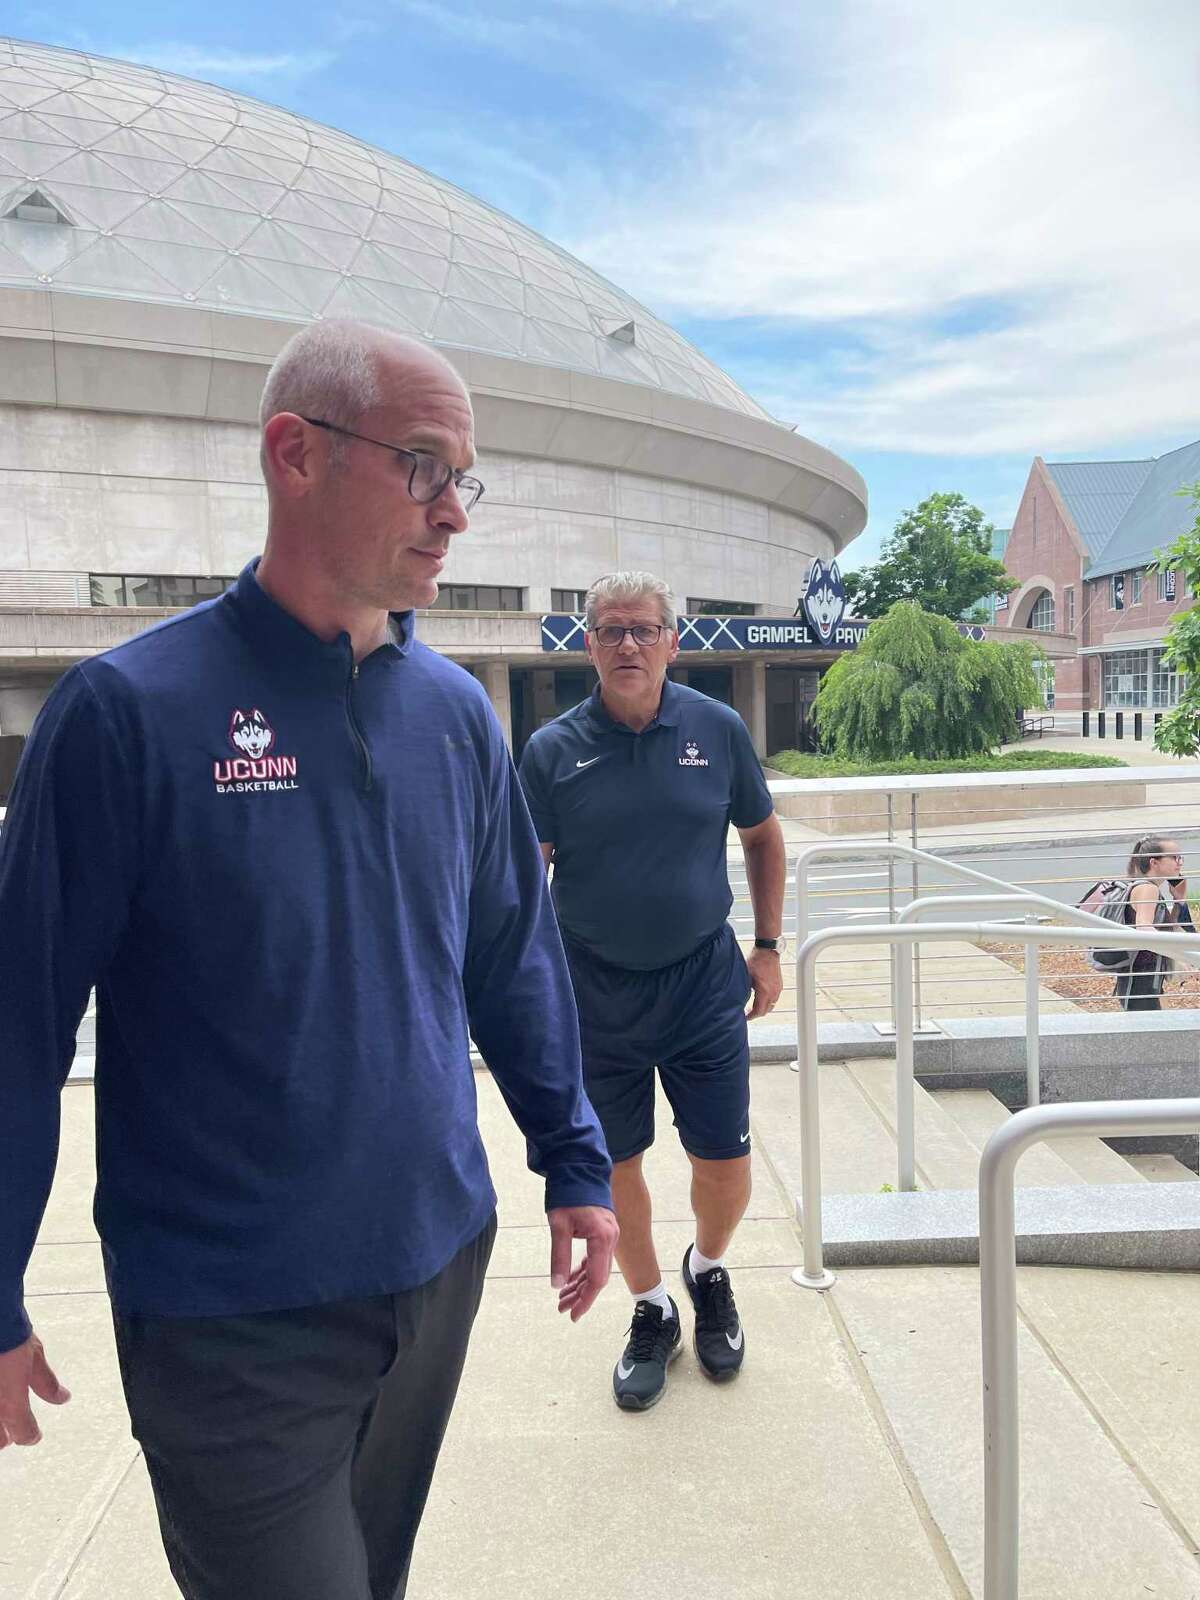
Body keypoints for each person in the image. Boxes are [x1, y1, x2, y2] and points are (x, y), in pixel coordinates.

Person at [0, 321, 618, 1600]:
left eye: (467, 479)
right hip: (230, 1317)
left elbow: (511, 955)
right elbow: (19, 1021)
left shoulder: (454, 713)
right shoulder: (126, 715)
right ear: (295, 453)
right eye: (425, 467)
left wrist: (573, 1154)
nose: (455, 515)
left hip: (437, 1260)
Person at [518, 572, 787, 1411]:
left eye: (644, 629)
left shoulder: (717, 727)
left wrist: (769, 946)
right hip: (594, 995)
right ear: (586, 643)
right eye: (610, 630)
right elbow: (525, 884)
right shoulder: (551, 751)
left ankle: (707, 1271)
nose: (628, 644)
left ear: (675, 640)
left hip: (704, 982)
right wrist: (526, 993)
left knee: (726, 1163)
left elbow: (762, 835)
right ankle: (650, 1308)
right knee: (615, 1166)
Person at [1116, 836, 1193, 1011]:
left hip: (1147, 978)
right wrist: (1178, 953)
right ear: (1154, 862)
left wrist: (1179, 899)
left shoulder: (1147, 888)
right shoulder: (1147, 889)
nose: (1179, 863)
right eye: (1174, 857)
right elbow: (1145, 928)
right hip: (1141, 980)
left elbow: (1165, 927)